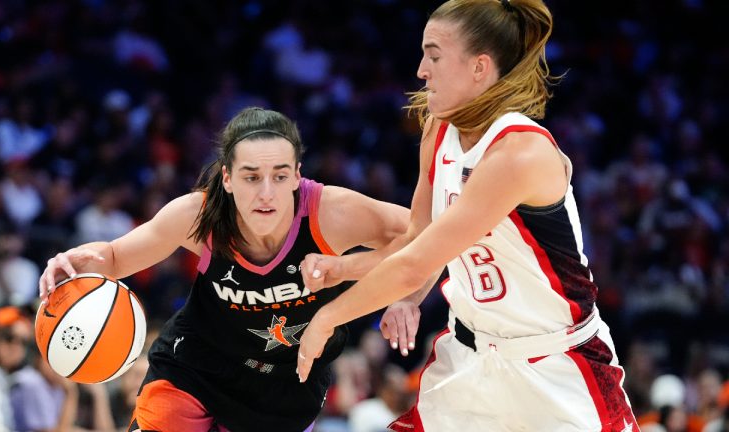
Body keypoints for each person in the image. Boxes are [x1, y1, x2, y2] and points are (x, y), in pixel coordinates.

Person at [296, 0, 640, 430]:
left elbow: (416, 264)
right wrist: (341, 270)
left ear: (479, 67)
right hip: (471, 362)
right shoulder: (438, 129)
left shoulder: (518, 152)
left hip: (557, 370)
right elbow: (416, 240)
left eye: (434, 55)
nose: (422, 69)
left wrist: (328, 317)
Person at [39, 106, 409, 432]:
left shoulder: (331, 213)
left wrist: (379, 282)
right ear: (228, 179)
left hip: (287, 386)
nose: (266, 192)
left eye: (280, 176)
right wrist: (77, 260)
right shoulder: (199, 215)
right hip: (196, 364)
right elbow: (116, 258)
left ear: (297, 175)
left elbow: (425, 237)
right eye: (251, 177)